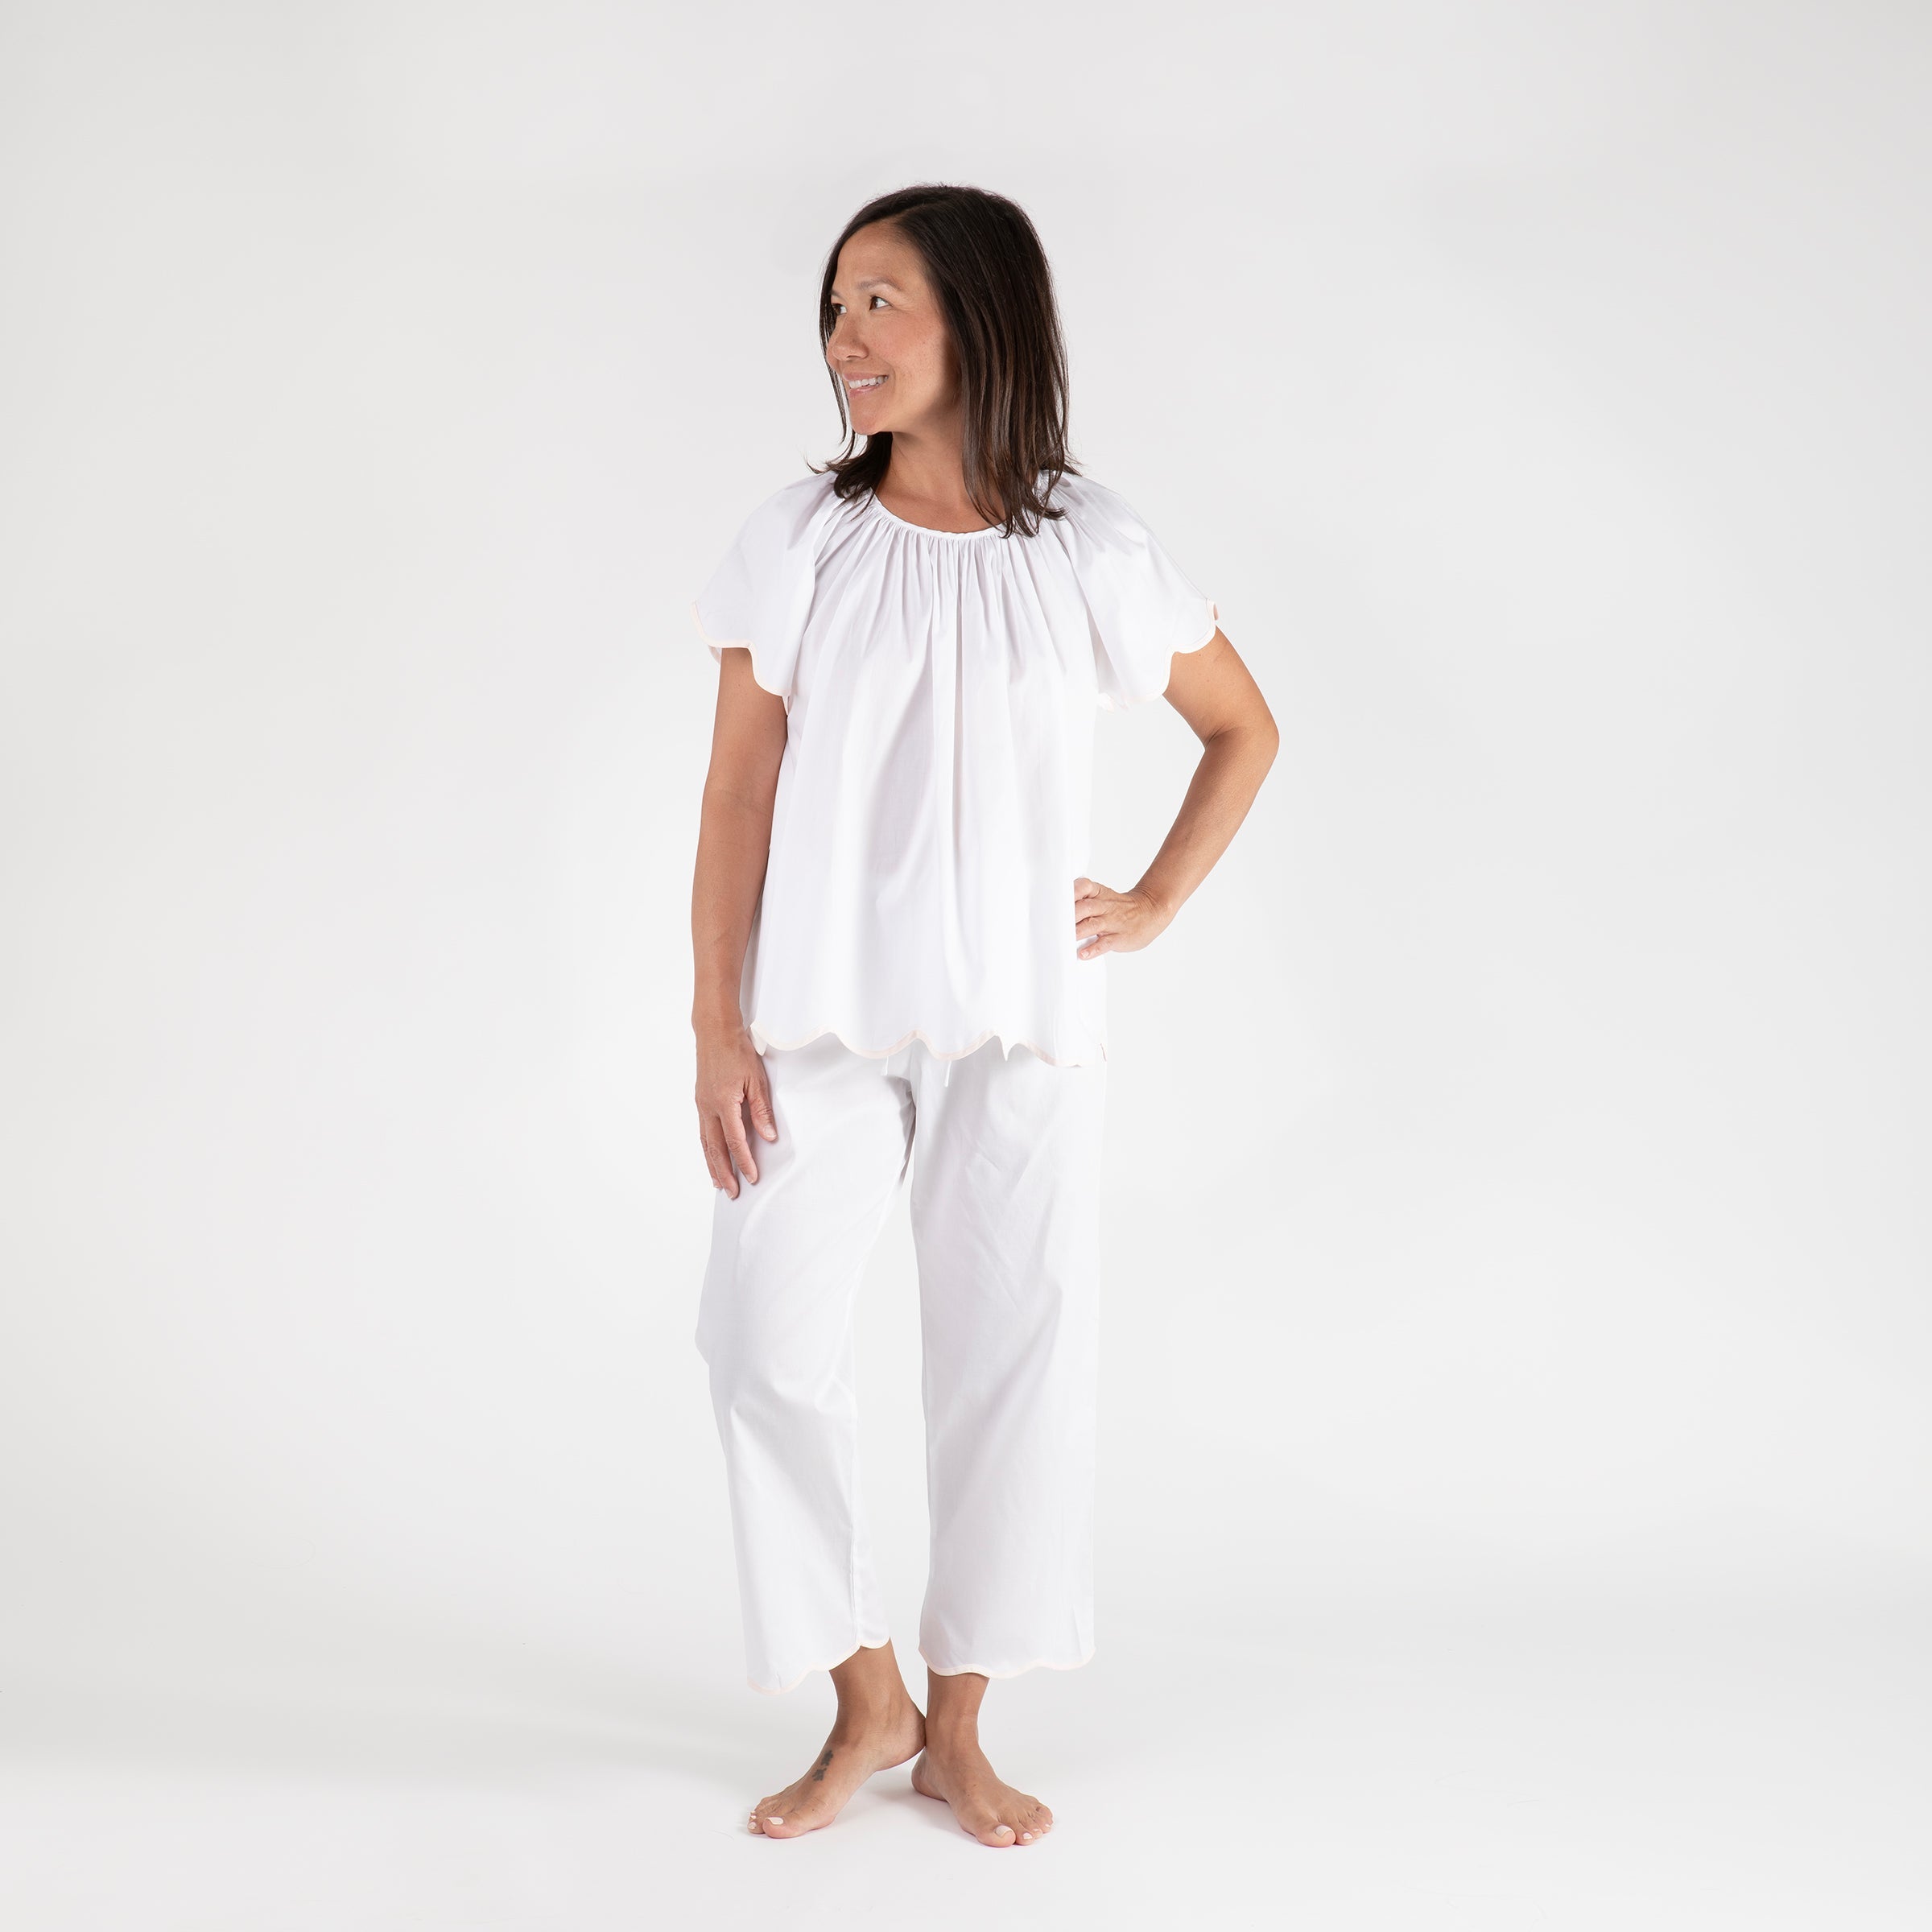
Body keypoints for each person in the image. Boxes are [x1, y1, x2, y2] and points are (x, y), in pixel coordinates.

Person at [687, 184, 1278, 1847]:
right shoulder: (799, 544)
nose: (845, 338)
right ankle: (862, 1693)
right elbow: (736, 798)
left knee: (1012, 1360)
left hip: (1021, 1019)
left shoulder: (1090, 548)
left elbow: (1243, 728)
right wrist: (714, 1028)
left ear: (979, 317)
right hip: (813, 1021)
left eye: (880, 301)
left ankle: (955, 1728)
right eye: (834, 307)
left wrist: (1153, 900)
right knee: (759, 1343)